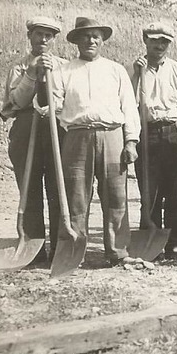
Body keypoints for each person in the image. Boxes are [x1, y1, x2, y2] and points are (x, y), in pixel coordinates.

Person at [42, 17, 141, 266]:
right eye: (85, 36)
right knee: (75, 197)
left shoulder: (116, 70)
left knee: (116, 196)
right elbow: (51, 106)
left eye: (96, 35)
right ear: (76, 41)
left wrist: (131, 141)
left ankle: (117, 251)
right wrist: (49, 101)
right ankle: (73, 252)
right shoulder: (62, 71)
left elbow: (129, 108)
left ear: (103, 40)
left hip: (112, 136)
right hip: (76, 137)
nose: (91, 40)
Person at [0, 15, 63, 266]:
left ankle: (60, 247)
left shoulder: (64, 66)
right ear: (30, 36)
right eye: (39, 34)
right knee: (29, 188)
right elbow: (17, 102)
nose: (43, 39)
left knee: (58, 189)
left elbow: (67, 99)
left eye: (49, 35)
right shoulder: (18, 68)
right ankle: (33, 249)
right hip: (26, 128)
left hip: (56, 127)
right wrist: (33, 75)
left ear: (54, 39)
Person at [131, 22, 177, 261]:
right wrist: (137, 74)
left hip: (172, 131)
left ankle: (175, 243)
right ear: (145, 40)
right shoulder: (133, 70)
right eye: (155, 40)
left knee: (176, 191)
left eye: (164, 41)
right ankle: (151, 241)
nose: (159, 45)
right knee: (149, 192)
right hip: (146, 130)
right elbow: (127, 100)